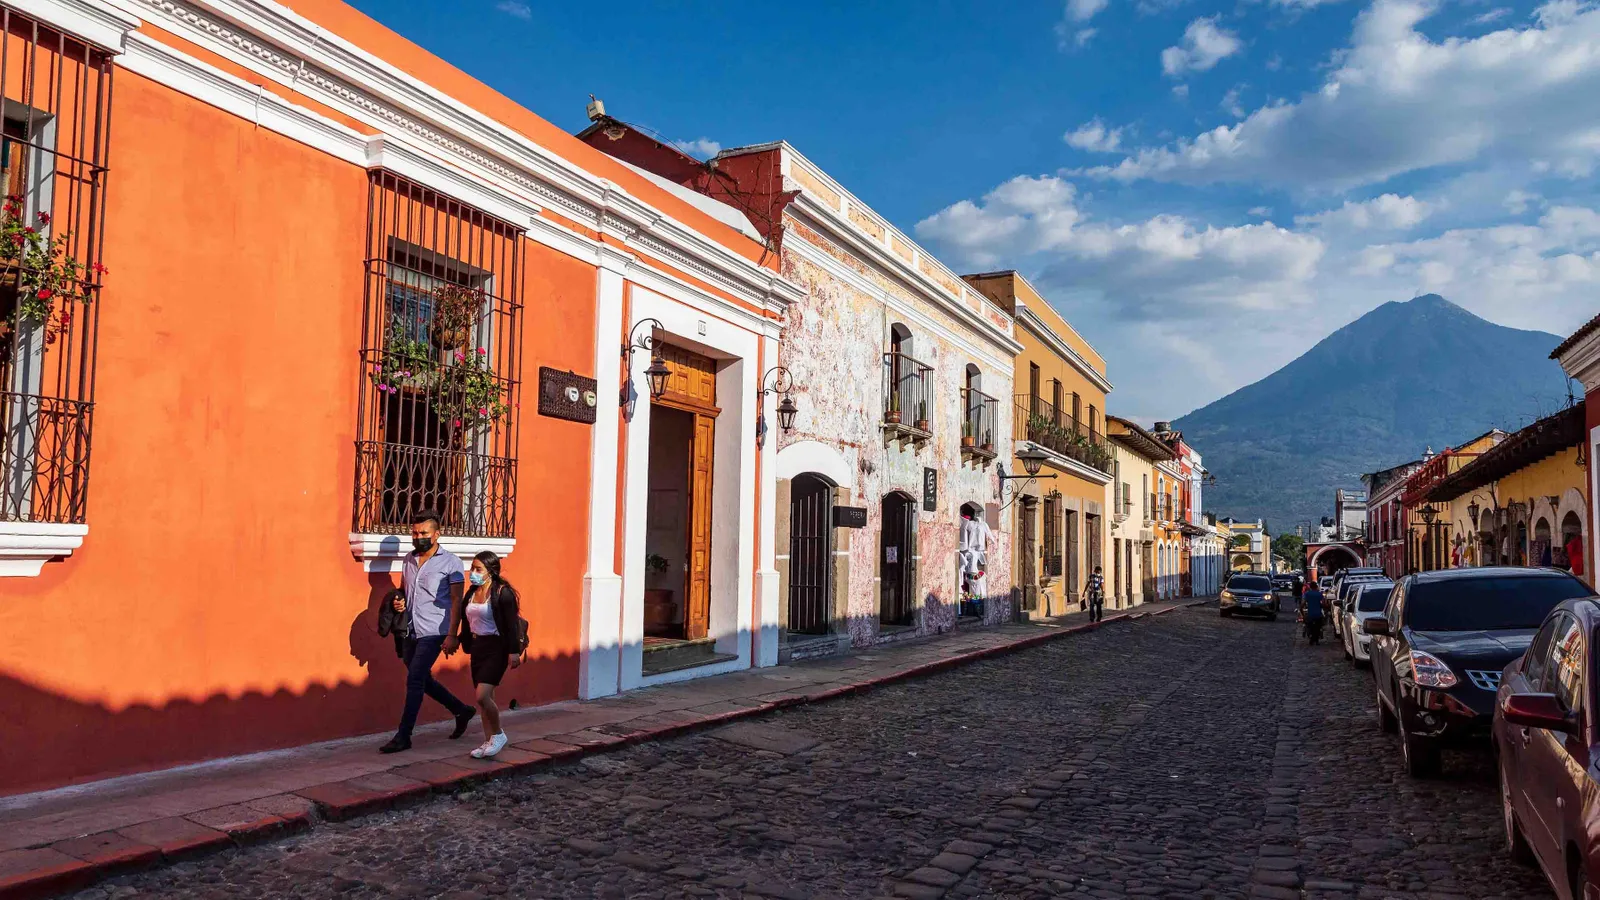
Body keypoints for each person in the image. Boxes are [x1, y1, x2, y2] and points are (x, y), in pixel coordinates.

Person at [380, 510, 477, 754]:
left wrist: (452, 634)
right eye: (414, 532)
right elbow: (404, 590)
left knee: (414, 679)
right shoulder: (408, 560)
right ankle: (461, 710)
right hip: (410, 629)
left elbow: (456, 601)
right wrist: (399, 601)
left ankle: (404, 735)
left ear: (436, 534)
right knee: (422, 679)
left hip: (435, 630)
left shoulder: (451, 562)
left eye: (423, 533)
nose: (418, 536)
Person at [457, 551, 527, 758]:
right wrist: (458, 640)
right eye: (472, 568)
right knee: (485, 699)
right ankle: (488, 741)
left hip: (497, 647)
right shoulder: (471, 593)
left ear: (491, 571)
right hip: (478, 647)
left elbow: (511, 625)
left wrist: (514, 651)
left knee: (482, 695)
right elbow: (467, 622)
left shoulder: (502, 593)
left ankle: (498, 734)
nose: (473, 573)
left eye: (478, 569)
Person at [1300, 579, 1326, 645]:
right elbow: (1323, 603)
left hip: (1310, 614)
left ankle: (1311, 638)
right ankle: (1316, 639)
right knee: (1319, 626)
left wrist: (1302, 612)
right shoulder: (1319, 594)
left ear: (1310, 587)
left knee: (1309, 626)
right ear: (1316, 586)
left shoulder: (1307, 594)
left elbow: (1303, 604)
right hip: (1318, 614)